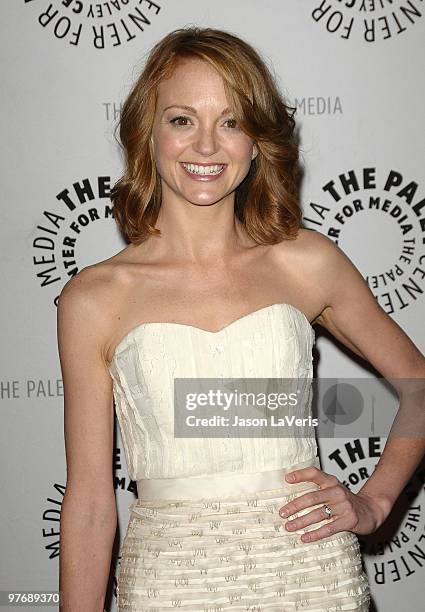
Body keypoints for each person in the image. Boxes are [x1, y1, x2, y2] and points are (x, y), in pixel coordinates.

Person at [57, 27, 425, 611]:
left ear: (257, 141)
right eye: (182, 119)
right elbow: (90, 505)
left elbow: (419, 388)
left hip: (312, 576)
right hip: (167, 583)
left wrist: (374, 503)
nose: (206, 145)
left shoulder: (307, 262)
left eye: (231, 122)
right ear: (145, 136)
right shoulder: (95, 297)